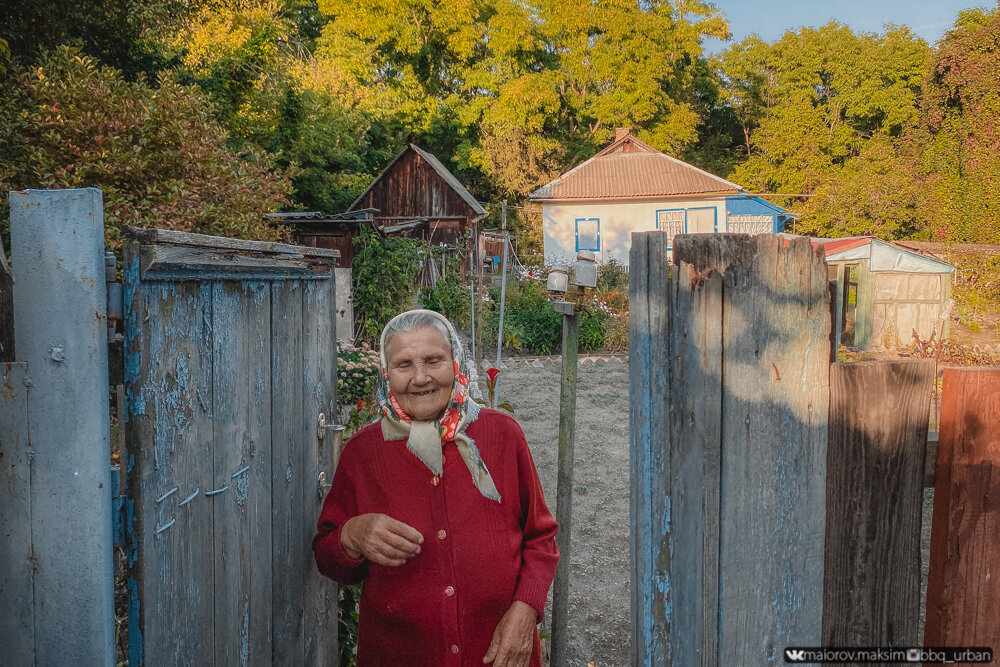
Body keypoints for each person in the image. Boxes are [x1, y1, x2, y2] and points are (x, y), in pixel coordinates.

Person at [313, 309, 559, 667]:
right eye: (404, 364)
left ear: (455, 363)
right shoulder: (363, 452)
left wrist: (525, 612)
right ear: (386, 373)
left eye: (433, 360)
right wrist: (351, 535)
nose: (421, 377)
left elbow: (541, 537)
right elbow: (328, 559)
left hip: (499, 654)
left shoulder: (503, 435)